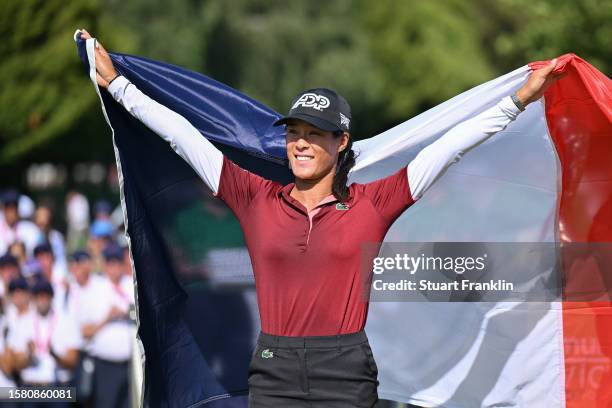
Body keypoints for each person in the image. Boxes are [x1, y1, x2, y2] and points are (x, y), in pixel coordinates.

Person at [80, 29, 564, 406]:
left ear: (342, 142)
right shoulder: (253, 195)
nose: (302, 144)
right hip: (272, 366)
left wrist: (517, 99)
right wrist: (120, 86)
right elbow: (183, 137)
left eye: (316, 134)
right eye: (294, 133)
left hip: (345, 368)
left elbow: (450, 148)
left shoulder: (374, 202)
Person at [68, 246, 133, 408]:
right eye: (110, 263)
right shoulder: (94, 290)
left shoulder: (131, 285)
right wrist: (107, 318)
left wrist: (127, 314)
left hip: (132, 364)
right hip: (106, 365)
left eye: (117, 262)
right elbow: (85, 331)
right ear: (104, 265)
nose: (114, 267)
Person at [7, 279, 81, 408]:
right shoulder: (24, 322)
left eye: (45, 295)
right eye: (38, 296)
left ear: (51, 297)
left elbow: (73, 361)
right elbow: (15, 364)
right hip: (31, 387)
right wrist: (29, 356)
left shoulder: (66, 321)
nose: (42, 299)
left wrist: (55, 355)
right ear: (33, 298)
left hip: (58, 387)